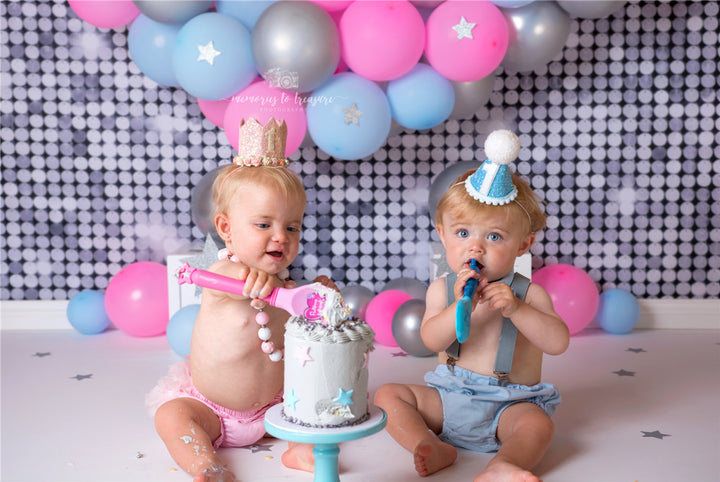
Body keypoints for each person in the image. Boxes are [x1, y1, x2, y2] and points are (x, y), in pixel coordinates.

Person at [374, 130, 570, 482]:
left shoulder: (529, 295)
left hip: (507, 405)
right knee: (388, 395)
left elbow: (558, 343)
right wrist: (458, 307)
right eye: (463, 233)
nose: (475, 247)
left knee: (538, 425)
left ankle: (503, 464)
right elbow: (431, 340)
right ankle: (429, 445)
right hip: (448, 399)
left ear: (522, 245)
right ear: (442, 234)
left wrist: (516, 310)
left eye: (494, 236)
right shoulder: (442, 289)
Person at [147, 119, 320, 481]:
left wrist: (318, 297)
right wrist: (250, 278)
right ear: (226, 228)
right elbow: (236, 283)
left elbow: (304, 324)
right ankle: (205, 464)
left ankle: (299, 448)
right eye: (263, 225)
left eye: (292, 227)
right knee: (172, 415)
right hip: (212, 410)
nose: (281, 236)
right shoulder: (223, 273)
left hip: (276, 407)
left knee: (316, 394)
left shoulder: (284, 285)